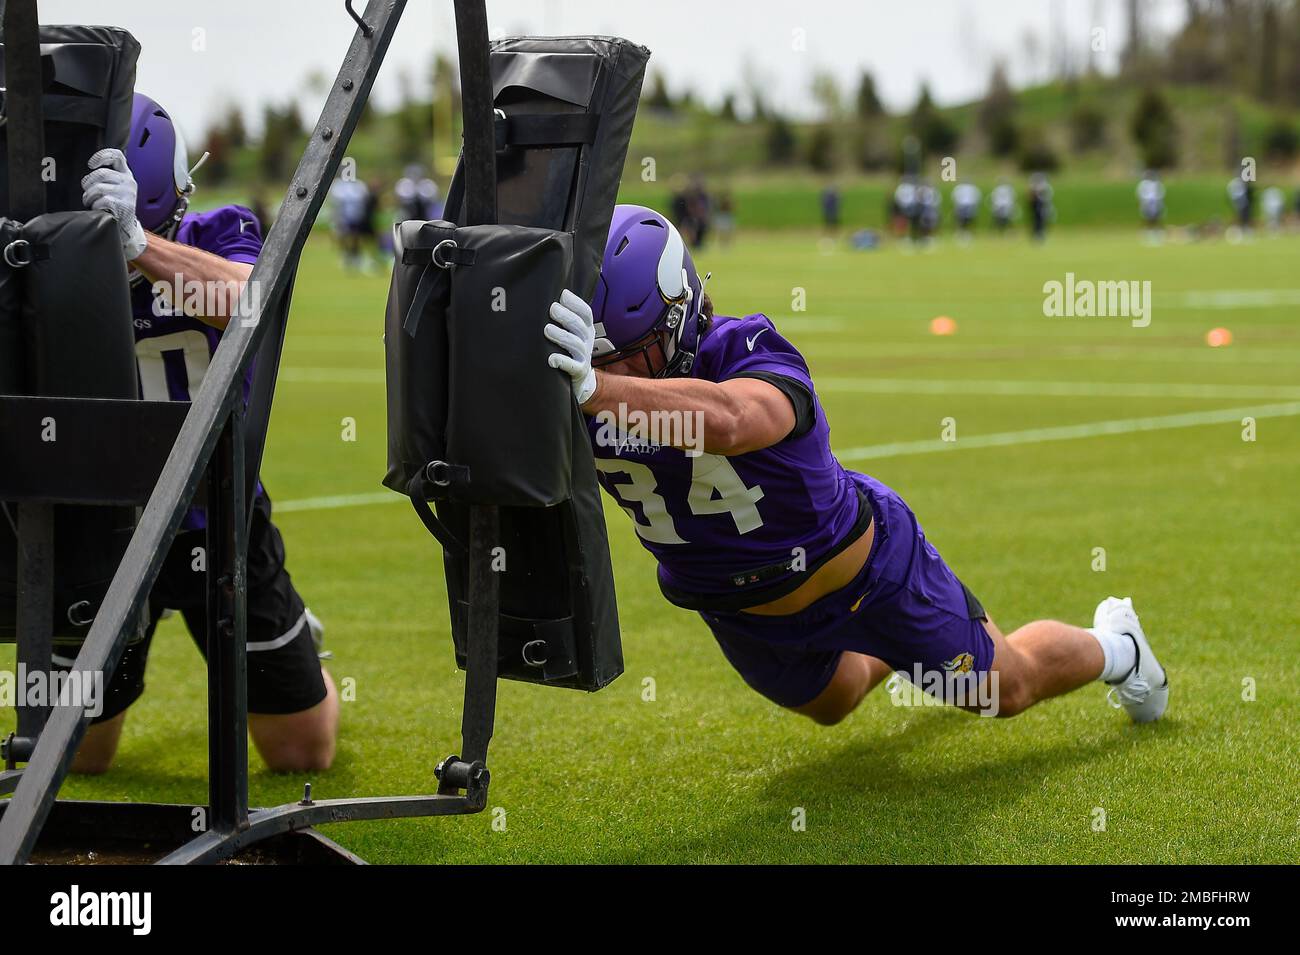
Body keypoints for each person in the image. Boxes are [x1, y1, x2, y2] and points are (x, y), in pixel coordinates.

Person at [541, 204, 1169, 727]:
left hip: (868, 575)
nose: (617, 369)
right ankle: (901, 654)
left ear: (678, 315)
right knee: (833, 703)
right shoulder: (571, 385)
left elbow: (736, 420)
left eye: (630, 353)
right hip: (739, 612)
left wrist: (598, 387)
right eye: (601, 356)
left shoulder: (743, 346)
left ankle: (1121, 649)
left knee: (1004, 691)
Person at [70, 93, 339, 773]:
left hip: (214, 517)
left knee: (302, 753)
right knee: (77, 759)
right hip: (101, 527)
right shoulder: (52, 262)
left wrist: (137, 245)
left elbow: (253, 299)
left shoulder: (218, 231)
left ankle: (299, 646)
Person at [1136, 170, 1165, 238]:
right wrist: (1143, 202)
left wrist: (1159, 201)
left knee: (1157, 218)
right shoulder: (1143, 184)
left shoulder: (1157, 183)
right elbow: (1140, 194)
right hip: (1147, 203)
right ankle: (1148, 233)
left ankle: (1158, 233)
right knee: (1147, 218)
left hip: (1156, 203)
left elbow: (1161, 194)